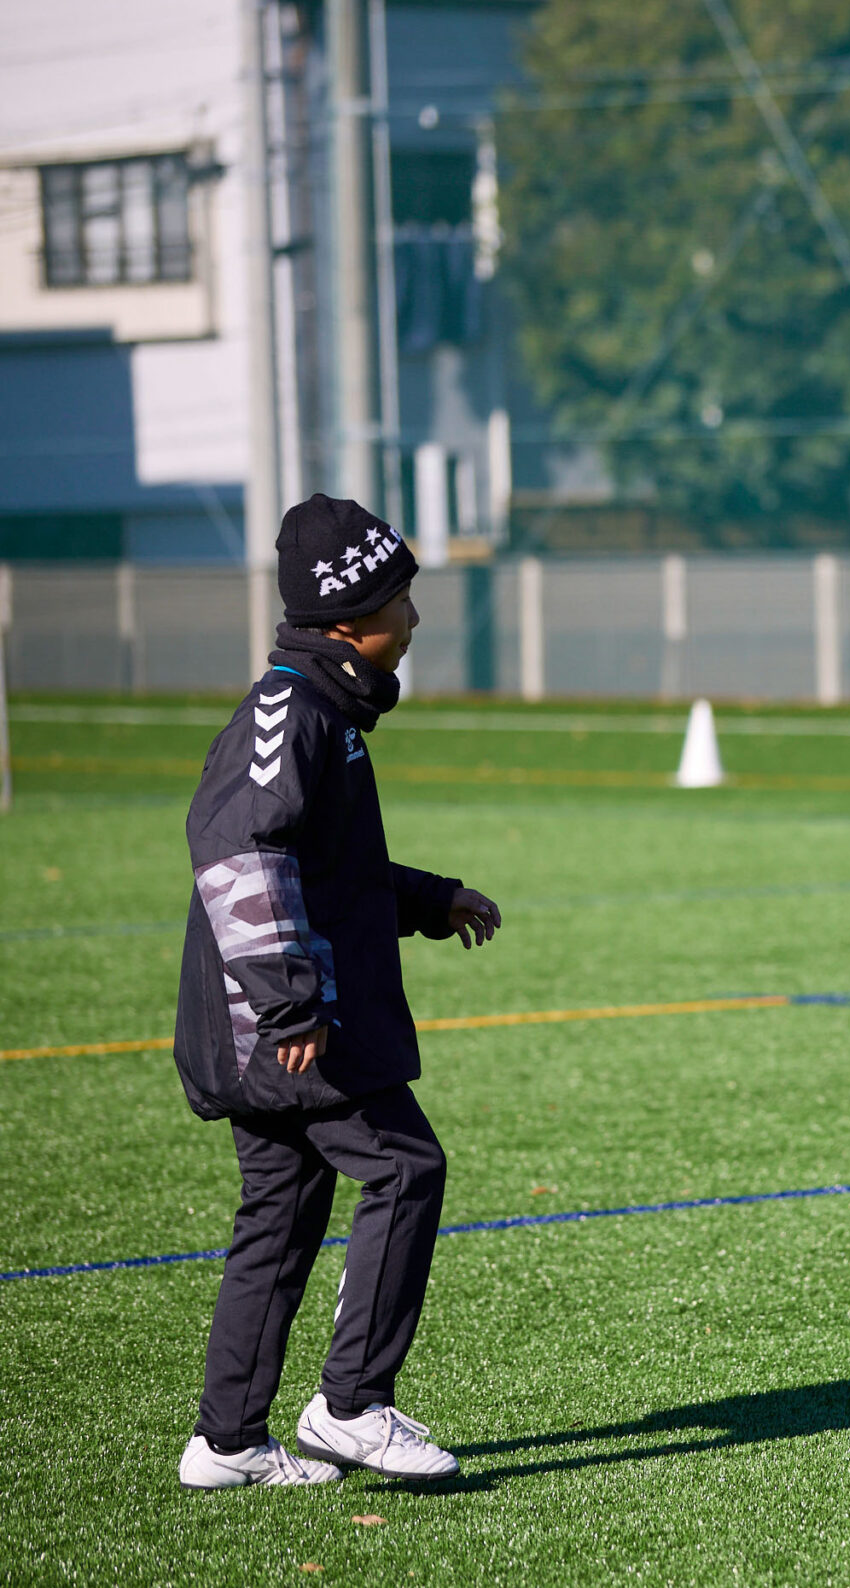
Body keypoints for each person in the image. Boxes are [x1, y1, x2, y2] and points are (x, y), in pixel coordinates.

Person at [175, 495, 503, 1490]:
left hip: (276, 1027)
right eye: (401, 599)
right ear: (355, 616)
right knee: (406, 1168)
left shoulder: (322, 712)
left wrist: (429, 899)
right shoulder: (291, 712)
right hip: (286, 1028)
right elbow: (237, 850)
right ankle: (352, 1404)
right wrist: (287, 1004)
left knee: (279, 1216)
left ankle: (226, 1442)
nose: (414, 619)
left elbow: (333, 868)